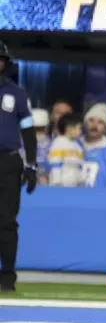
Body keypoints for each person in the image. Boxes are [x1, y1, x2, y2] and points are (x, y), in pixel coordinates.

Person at [0, 41, 37, 292]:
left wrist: (32, 164)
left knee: (6, 221)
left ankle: (7, 276)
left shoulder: (17, 93)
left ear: (5, 63)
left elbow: (28, 130)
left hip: (8, 161)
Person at [81, 103, 106, 188]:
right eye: (91, 120)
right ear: (85, 123)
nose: (94, 125)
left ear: (105, 128)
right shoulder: (75, 146)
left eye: (100, 122)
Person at [48, 113, 85, 187]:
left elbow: (81, 165)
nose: (81, 131)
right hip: (62, 181)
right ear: (69, 128)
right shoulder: (59, 142)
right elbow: (55, 162)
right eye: (79, 128)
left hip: (74, 181)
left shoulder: (78, 145)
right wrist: (56, 180)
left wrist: (81, 179)